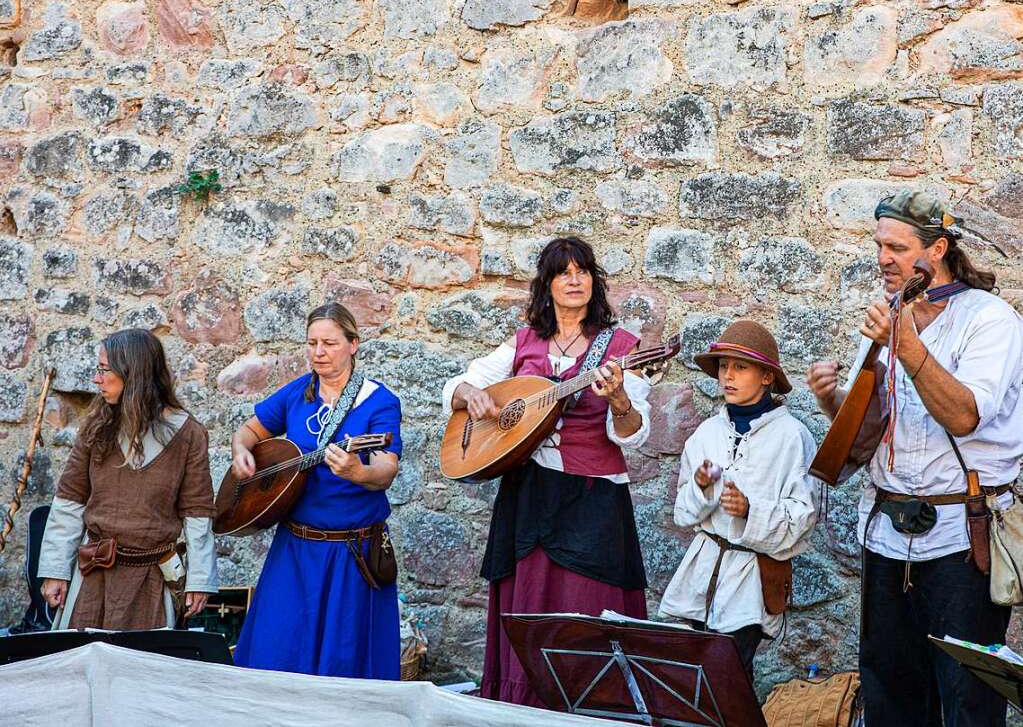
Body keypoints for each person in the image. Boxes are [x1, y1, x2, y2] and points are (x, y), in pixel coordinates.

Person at [807, 190, 1023, 727]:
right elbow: (874, 429)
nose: (883, 257)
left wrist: (903, 342)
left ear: (938, 248)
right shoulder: (892, 317)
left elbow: (965, 415)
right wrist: (832, 399)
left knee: (969, 698)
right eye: (880, 245)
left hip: (962, 535)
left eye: (898, 247)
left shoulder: (990, 321)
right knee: (890, 694)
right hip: (887, 534)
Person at [442, 236, 652, 707]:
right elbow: (458, 384)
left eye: (583, 271)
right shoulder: (525, 341)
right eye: (563, 272)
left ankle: (587, 707)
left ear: (594, 281)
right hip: (530, 495)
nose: (574, 280)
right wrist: (471, 397)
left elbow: (634, 432)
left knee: (585, 609)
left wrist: (618, 399)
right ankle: (523, 707)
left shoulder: (620, 348)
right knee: (529, 605)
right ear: (548, 284)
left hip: (591, 498)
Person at [231, 302, 403, 678]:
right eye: (311, 344)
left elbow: (386, 469)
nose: (318, 353)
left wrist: (358, 471)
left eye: (329, 343)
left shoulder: (378, 400)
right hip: (295, 548)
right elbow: (249, 430)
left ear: (353, 344)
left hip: (351, 554)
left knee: (345, 665)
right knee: (273, 653)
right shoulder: (298, 393)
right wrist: (241, 452)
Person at [659, 320, 817, 682]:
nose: (727, 376)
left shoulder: (792, 437)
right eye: (724, 366)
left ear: (766, 377)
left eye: (740, 367)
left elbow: (802, 520)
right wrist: (701, 488)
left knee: (729, 680)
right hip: (702, 574)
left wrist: (750, 511)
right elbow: (684, 515)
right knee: (694, 682)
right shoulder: (706, 434)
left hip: (749, 581)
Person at [37, 328, 218, 629]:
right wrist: (56, 570)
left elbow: (197, 511)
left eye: (105, 370)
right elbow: (70, 500)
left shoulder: (188, 434)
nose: (97, 379)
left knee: (143, 671)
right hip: (93, 576)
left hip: (151, 580)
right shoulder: (97, 426)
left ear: (134, 373)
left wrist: (200, 578)